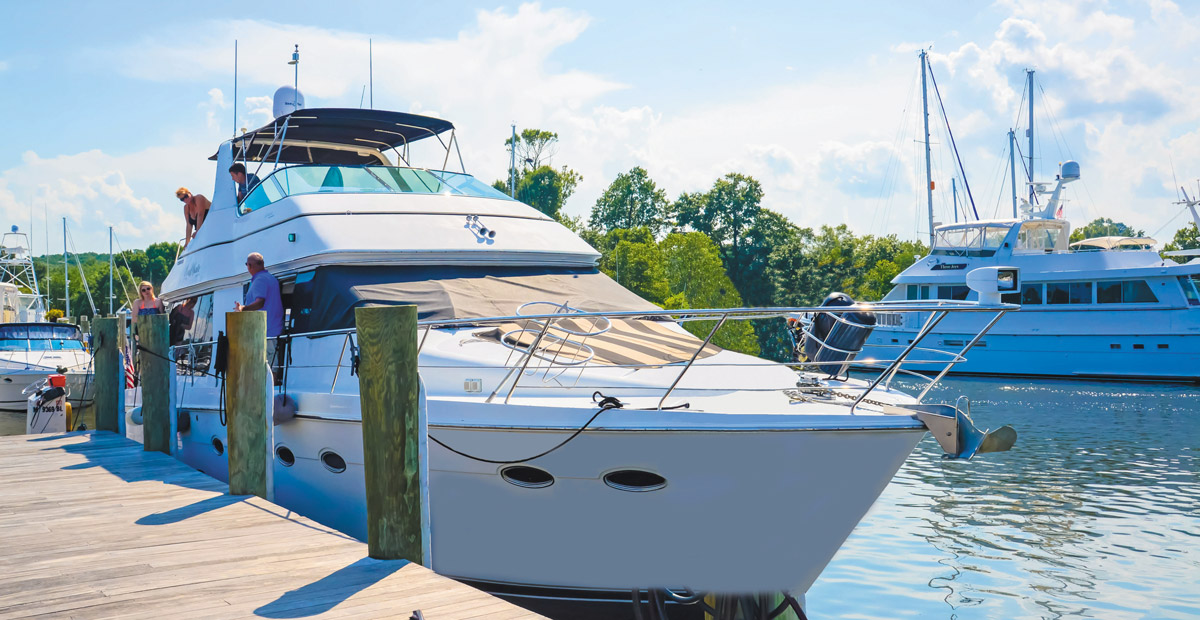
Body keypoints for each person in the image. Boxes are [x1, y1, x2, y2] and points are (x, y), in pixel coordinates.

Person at [235, 253, 284, 379]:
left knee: (266, 370)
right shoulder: (271, 278)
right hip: (273, 331)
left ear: (250, 266)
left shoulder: (260, 280)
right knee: (272, 367)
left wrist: (243, 308)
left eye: (247, 265)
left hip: (265, 333)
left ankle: (267, 395)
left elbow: (260, 302)